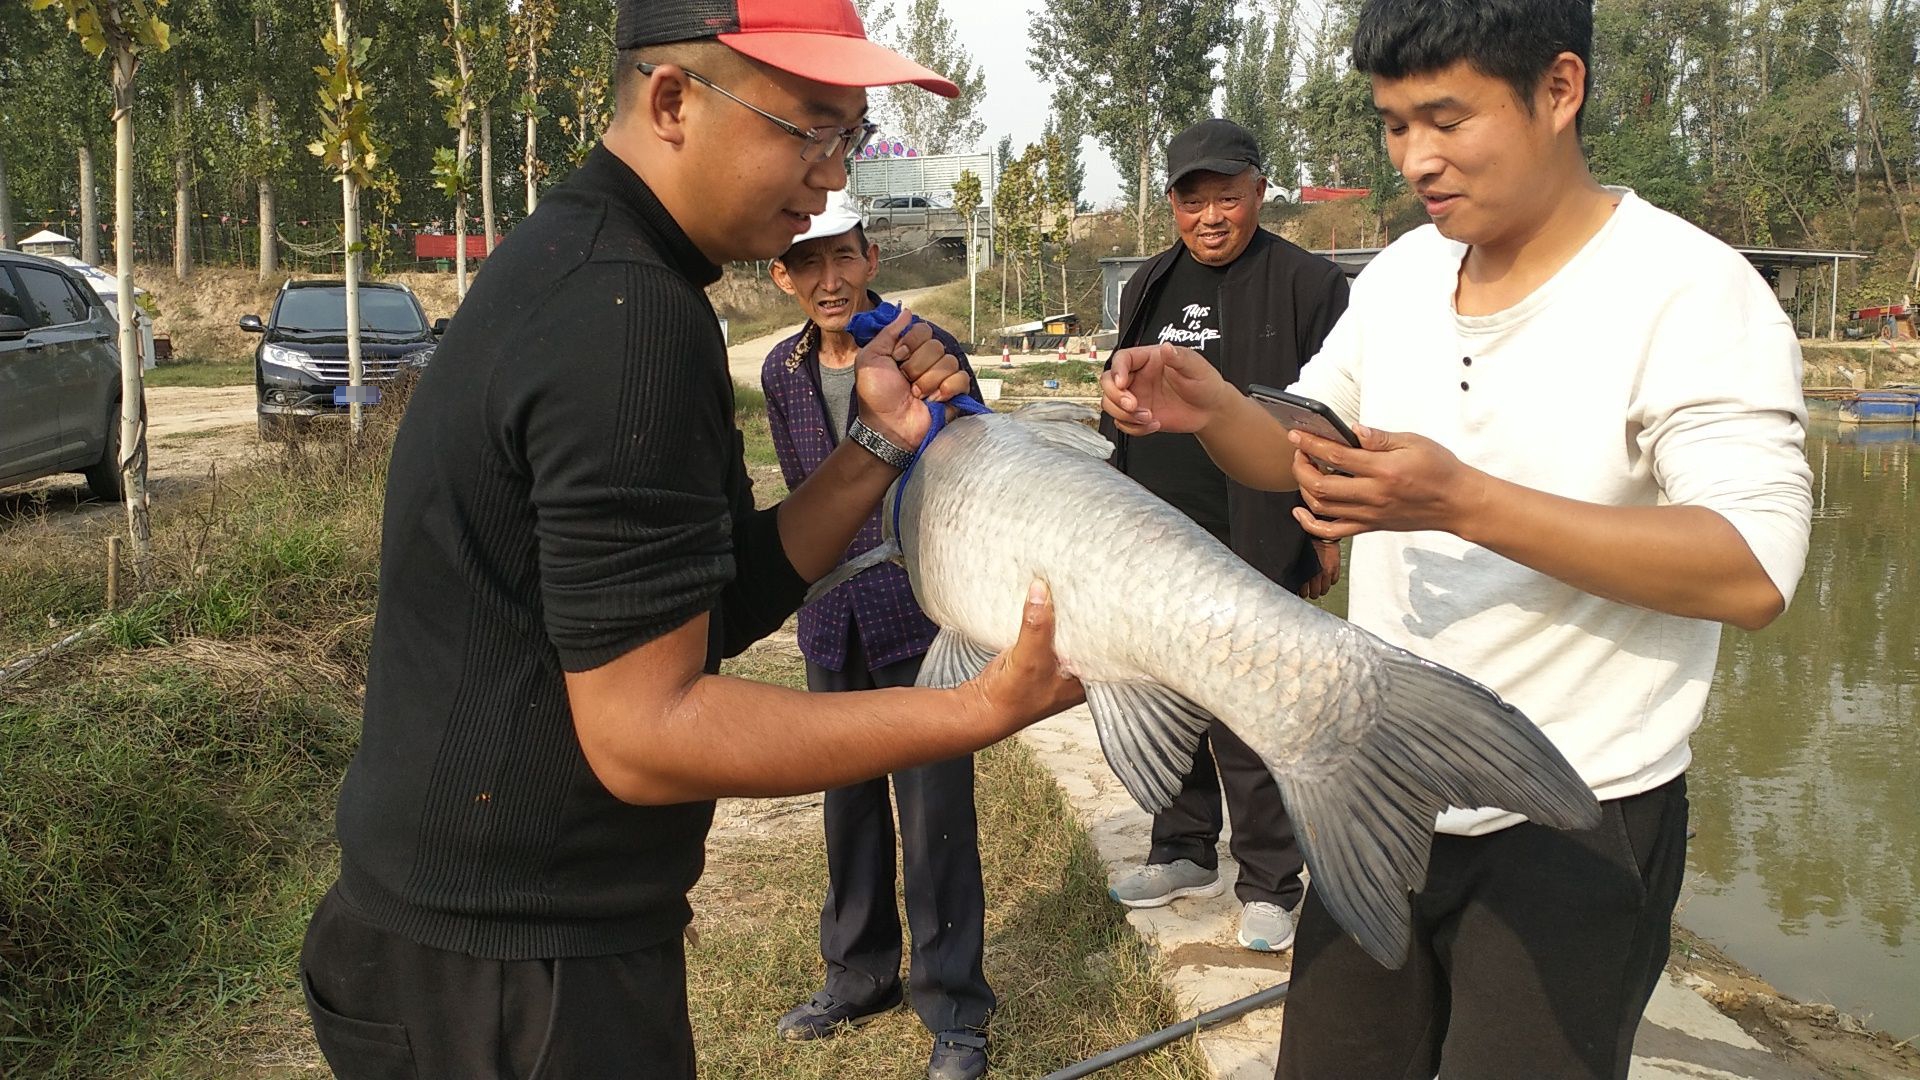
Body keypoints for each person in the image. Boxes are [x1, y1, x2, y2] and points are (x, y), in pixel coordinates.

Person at [297, 3, 1084, 1077]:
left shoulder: (603, 266)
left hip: (465, 936)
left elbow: (704, 603)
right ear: (672, 100)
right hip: (511, 979)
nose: (828, 174)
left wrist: (875, 447)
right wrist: (974, 709)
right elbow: (645, 730)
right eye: (808, 127)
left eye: (849, 136)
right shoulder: (622, 312)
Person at [1099, 0, 1814, 1076]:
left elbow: (1752, 567)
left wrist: (1462, 503)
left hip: (1576, 805)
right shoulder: (1403, 275)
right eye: (1394, 125)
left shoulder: (1691, 292)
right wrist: (1216, 410)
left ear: (1560, 91)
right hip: (1376, 779)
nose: (1416, 160)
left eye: (1446, 118)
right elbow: (1307, 442)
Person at [1098, 118, 1349, 955]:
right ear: (1172, 203)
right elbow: (1120, 403)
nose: (1211, 216)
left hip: (1256, 525)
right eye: (1193, 200)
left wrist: (1324, 535)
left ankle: (1272, 879)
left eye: (1228, 198)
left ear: (1258, 192)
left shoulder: (1310, 284)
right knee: (1164, 693)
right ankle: (1180, 848)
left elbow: (1335, 422)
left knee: (1252, 705)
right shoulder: (1146, 286)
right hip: (1156, 533)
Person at [759, 193, 993, 1080]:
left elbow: (975, 460)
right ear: (781, 275)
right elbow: (798, 491)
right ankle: (858, 973)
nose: (829, 279)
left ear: (871, 257)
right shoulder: (782, 371)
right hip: (830, 613)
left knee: (934, 813)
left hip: (914, 608)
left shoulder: (923, 351)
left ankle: (955, 1011)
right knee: (845, 800)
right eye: (806, 263)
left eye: (842, 257)